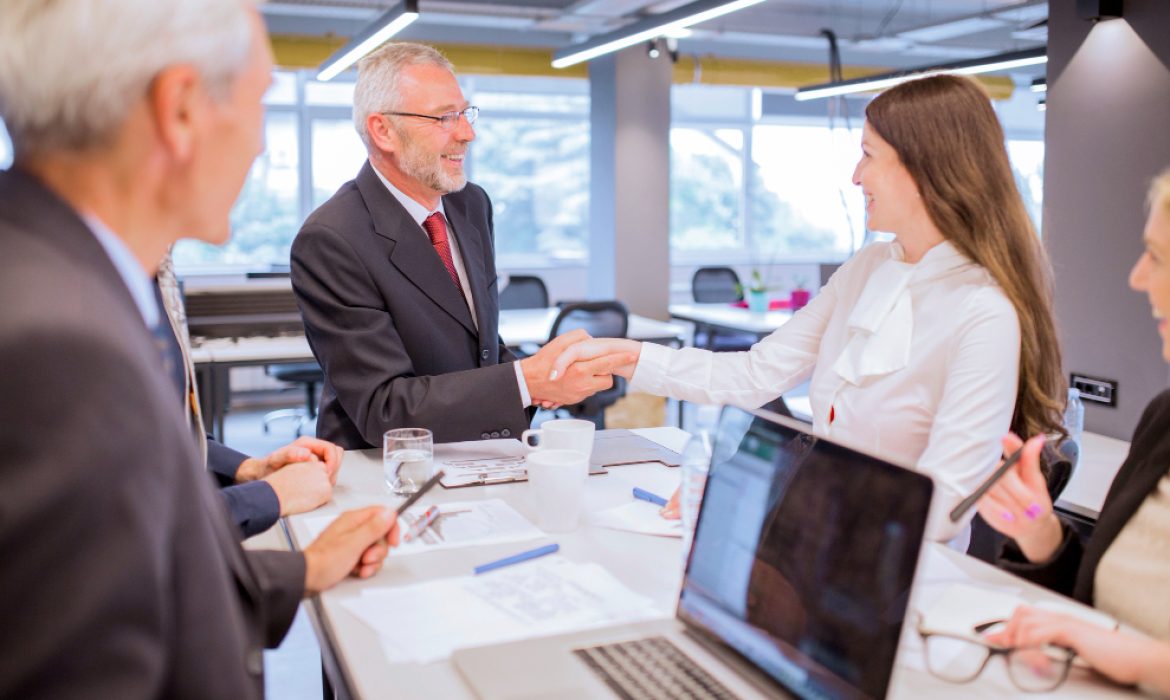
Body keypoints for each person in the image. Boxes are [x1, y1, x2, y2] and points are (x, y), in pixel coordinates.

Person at [0, 2, 398, 696]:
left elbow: (132, 580)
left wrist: (300, 569)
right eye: (260, 102)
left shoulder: (67, 276)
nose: (261, 144)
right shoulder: (59, 348)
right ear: (181, 110)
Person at [552, 75, 1067, 545]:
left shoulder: (984, 312)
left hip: (898, 578)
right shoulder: (868, 266)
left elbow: (945, 500)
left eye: (868, 155)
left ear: (922, 169)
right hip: (819, 550)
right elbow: (756, 373)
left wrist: (771, 503)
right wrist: (628, 356)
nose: (856, 176)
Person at [291, 42, 628, 449]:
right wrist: (524, 381)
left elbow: (478, 347)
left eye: (465, 114)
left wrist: (546, 377)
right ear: (383, 131)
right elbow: (384, 408)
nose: (467, 133)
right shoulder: (333, 238)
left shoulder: (470, 204)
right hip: (384, 474)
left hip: (478, 453)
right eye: (444, 118)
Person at [977, 169, 1170, 696]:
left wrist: (1137, 660)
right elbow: (1097, 605)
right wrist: (1041, 535)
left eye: (1156, 256)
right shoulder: (1164, 419)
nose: (1136, 277)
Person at [156, 253, 339, 537]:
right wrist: (273, 494)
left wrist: (252, 468)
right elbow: (138, 530)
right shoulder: (86, 304)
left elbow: (168, 437)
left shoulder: (150, 278)